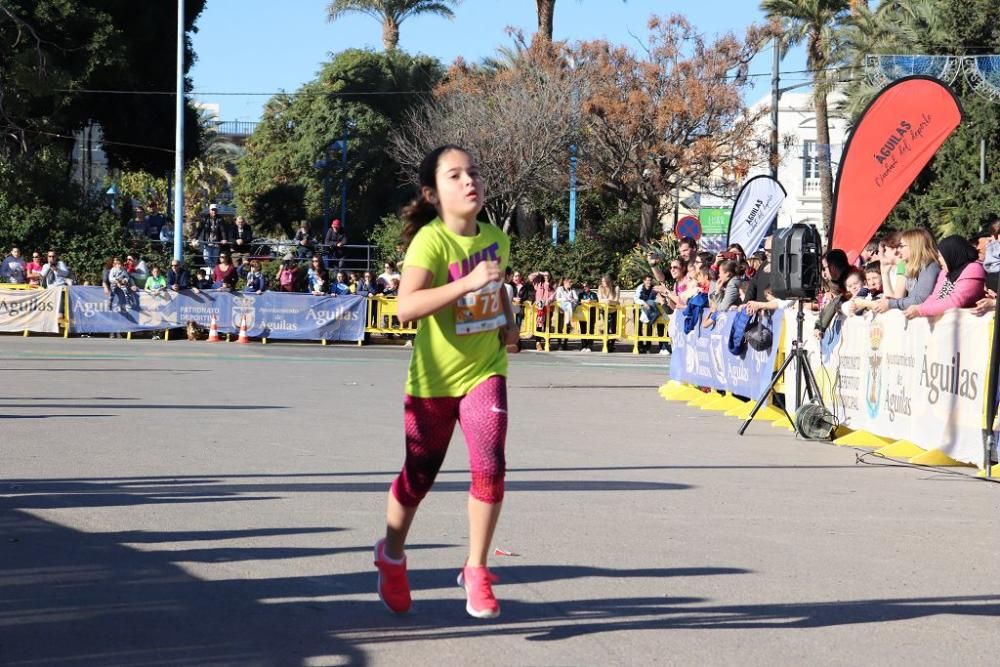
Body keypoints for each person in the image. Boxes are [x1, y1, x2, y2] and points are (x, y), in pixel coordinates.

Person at [373, 144, 517, 620]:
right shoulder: (430, 243)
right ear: (432, 194)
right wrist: (467, 282)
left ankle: (475, 568)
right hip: (434, 382)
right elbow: (405, 307)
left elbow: (494, 286)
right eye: (454, 176)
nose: (469, 181)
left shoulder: (496, 236)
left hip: (484, 369)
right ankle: (391, 555)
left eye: (472, 172)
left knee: (491, 460)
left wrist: (508, 320)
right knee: (418, 479)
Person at [905, 235, 985, 319]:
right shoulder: (946, 272)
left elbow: (956, 302)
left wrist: (920, 310)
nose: (938, 260)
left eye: (940, 256)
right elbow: (935, 296)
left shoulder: (974, 269)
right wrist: (919, 308)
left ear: (951, 253)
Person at [870, 227, 940, 314]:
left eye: (884, 250)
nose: (898, 250)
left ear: (914, 247)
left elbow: (918, 299)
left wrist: (891, 304)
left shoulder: (927, 266)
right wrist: (884, 273)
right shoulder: (914, 266)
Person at [530, 271, 555, 351]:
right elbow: (530, 277)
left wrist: (549, 300)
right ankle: (538, 343)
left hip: (548, 308)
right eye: (545, 275)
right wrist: (539, 272)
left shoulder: (552, 286)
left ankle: (547, 342)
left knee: (548, 325)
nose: (546, 276)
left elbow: (553, 296)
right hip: (539, 308)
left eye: (548, 275)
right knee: (539, 325)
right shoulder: (538, 284)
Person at [554, 276, 579, 347]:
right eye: (570, 282)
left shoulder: (572, 290)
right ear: (565, 282)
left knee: (567, 327)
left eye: (572, 282)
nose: (571, 283)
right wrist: (566, 299)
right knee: (560, 326)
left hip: (569, 309)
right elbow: (557, 298)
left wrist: (572, 300)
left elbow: (576, 299)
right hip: (561, 308)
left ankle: (565, 342)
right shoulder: (560, 289)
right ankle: (559, 343)